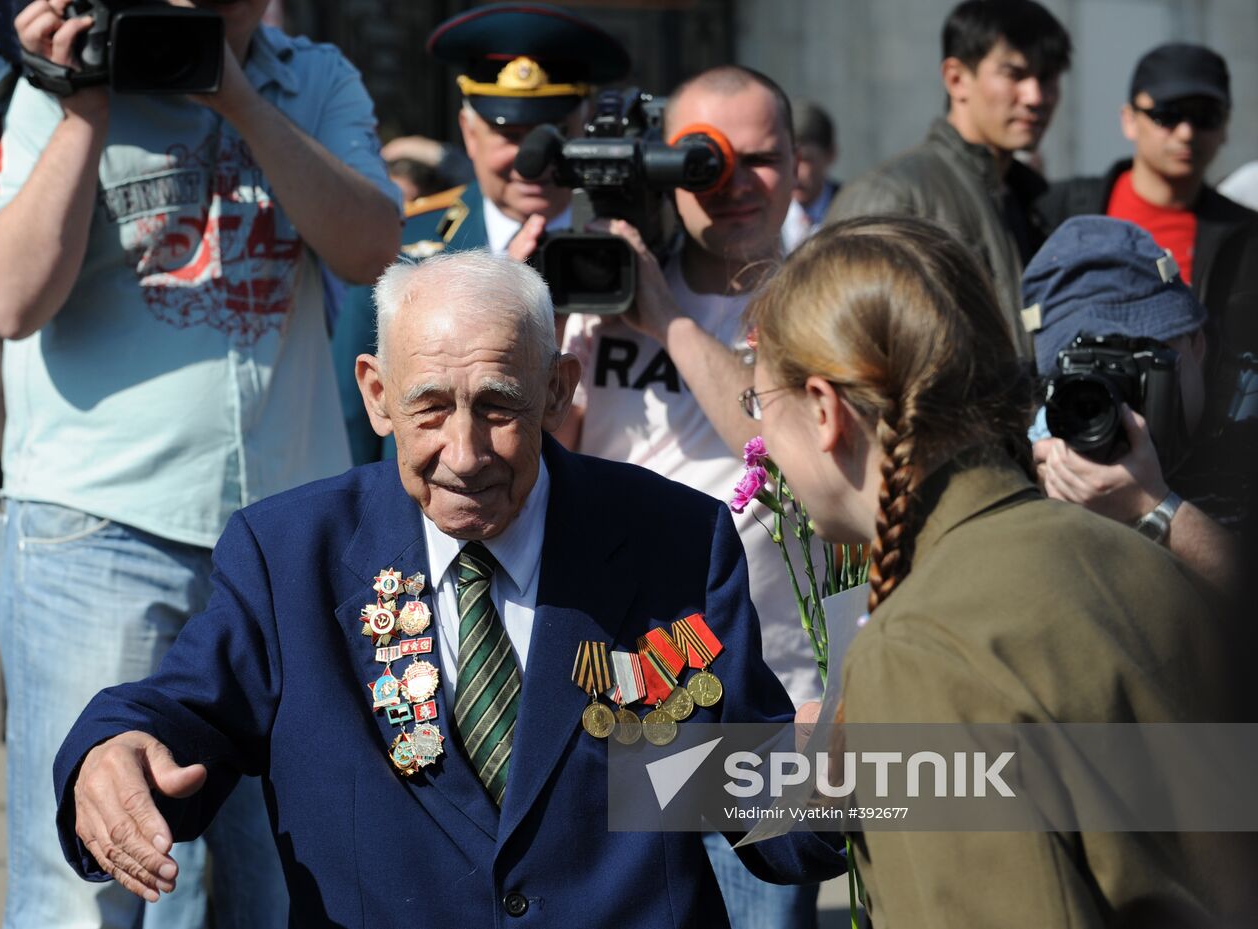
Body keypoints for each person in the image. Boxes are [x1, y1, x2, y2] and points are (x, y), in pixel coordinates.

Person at [53, 249, 846, 927]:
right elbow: (180, 711)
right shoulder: (290, 554)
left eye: (499, 406)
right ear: (375, 393)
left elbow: (758, 813)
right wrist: (108, 753)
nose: (464, 453)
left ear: (560, 388)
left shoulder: (673, 540)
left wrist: (834, 768)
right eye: (429, 407)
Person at [0, 0, 400, 926]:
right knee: (84, 886)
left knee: (290, 877)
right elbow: (8, 298)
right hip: (98, 528)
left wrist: (236, 97)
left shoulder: (312, 80)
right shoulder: (56, 80)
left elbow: (371, 251)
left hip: (283, 543)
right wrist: (82, 103)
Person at [749, 215, 1246, 926]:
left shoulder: (921, 645)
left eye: (759, 403)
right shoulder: (1138, 554)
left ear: (825, 410)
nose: (761, 433)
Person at [555, 65, 825, 928]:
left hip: (763, 706)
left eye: (763, 158)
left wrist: (666, 315)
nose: (738, 184)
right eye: (706, 161)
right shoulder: (595, 288)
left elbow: (777, 441)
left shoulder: (831, 297)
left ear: (799, 163)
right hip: (615, 705)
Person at [332, 2, 630, 466]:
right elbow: (352, 435)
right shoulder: (400, 252)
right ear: (469, 134)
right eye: (509, 134)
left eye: (552, 133)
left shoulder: (632, 249)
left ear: (585, 127)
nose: (533, 159)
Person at [1034, 44, 1258, 532]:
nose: (1185, 132)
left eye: (1204, 115)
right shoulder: (1054, 211)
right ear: (1129, 119)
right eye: (1168, 113)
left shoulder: (1249, 240)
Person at [826, 0, 1071, 363]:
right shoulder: (888, 197)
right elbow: (848, 354)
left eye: (1048, 77)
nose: (1035, 97)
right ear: (956, 79)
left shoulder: (1028, 198)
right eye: (1015, 75)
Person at [1025, 217, 1239, 590]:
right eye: (1091, 371)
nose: (1120, 400)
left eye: (1142, 362)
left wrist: (1151, 507)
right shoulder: (1036, 448)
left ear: (1196, 342)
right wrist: (1034, 500)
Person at [780, 99, 839, 253]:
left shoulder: (852, 207)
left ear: (830, 155)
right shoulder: (763, 213)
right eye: (787, 159)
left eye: (805, 160)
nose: (794, 172)